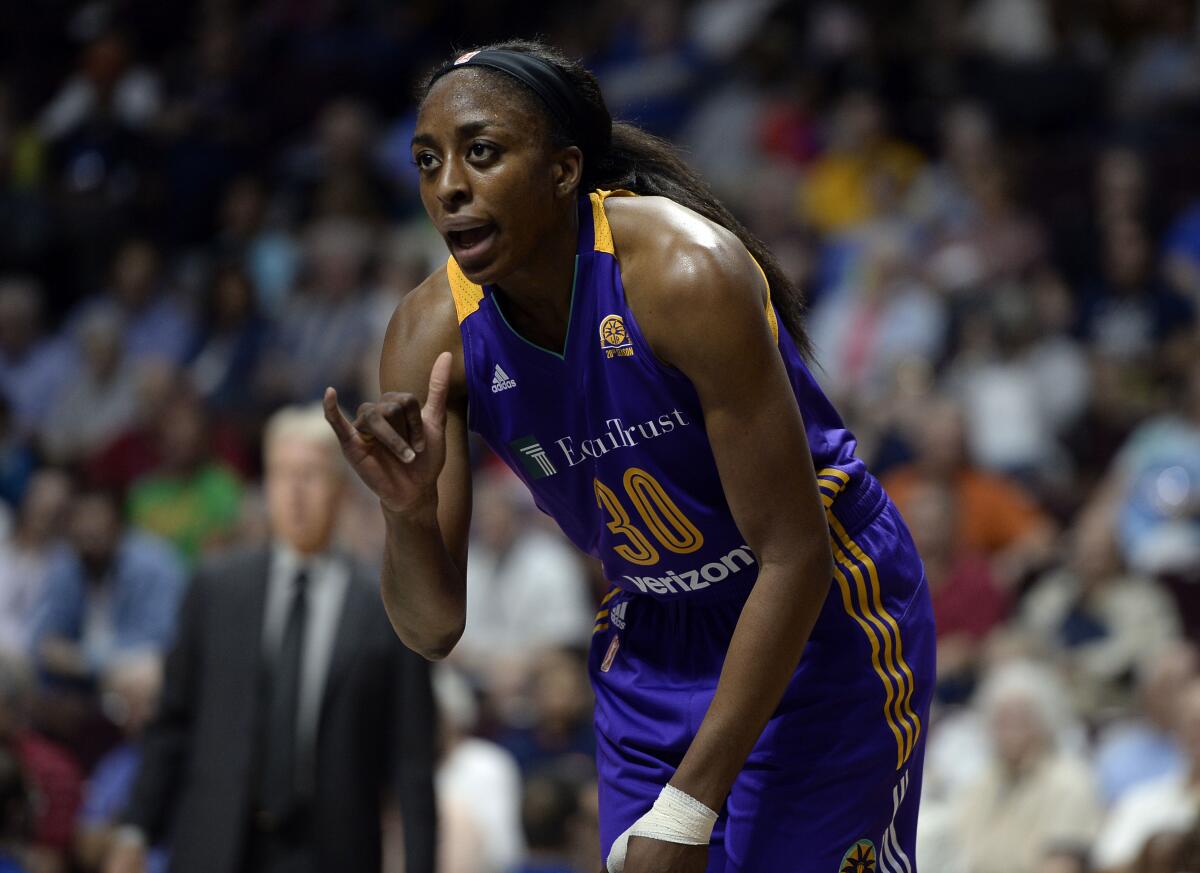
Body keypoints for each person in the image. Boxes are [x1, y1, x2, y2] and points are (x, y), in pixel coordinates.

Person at [324, 40, 935, 872]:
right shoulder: (428, 337)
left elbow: (794, 554)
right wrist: (403, 513)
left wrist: (686, 809)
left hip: (819, 607)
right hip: (653, 631)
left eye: (482, 152)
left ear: (566, 171)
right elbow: (432, 627)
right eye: (428, 161)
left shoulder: (687, 273)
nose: (449, 186)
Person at [104, 403, 436, 873]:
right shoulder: (216, 587)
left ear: (341, 490)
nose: (295, 492)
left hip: (334, 849)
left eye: (310, 476)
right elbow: (173, 722)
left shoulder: (386, 606)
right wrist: (137, 828)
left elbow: (411, 761)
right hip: (216, 842)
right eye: (282, 475)